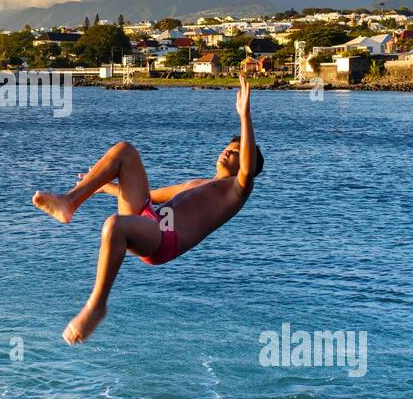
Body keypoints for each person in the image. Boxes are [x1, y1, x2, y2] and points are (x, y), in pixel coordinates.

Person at [32, 70, 263, 344]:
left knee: (114, 226)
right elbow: (149, 196)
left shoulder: (236, 191)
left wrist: (244, 116)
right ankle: (69, 202)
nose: (229, 151)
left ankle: (96, 305)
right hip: (149, 219)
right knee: (124, 151)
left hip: (164, 239)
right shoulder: (198, 183)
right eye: (228, 146)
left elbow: (247, 168)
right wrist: (103, 185)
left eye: (236, 151)